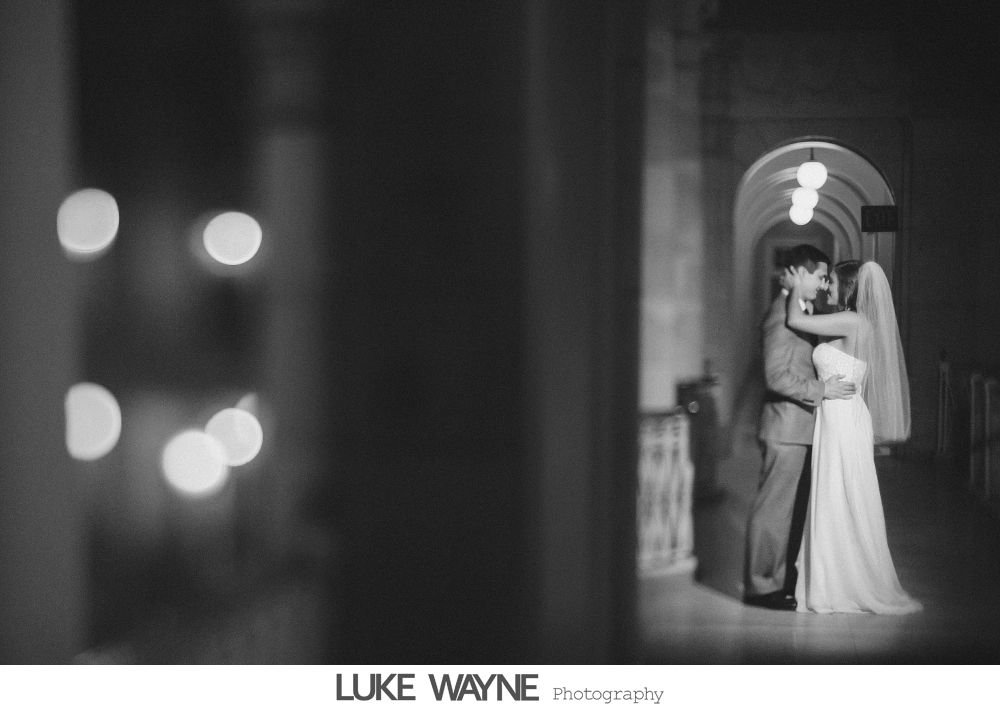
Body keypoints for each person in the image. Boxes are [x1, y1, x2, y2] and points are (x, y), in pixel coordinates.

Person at [786, 260, 922, 614]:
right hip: (841, 416)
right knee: (841, 493)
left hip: (841, 417)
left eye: (831, 281)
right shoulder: (855, 321)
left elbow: (797, 321)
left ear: (848, 286)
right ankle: (834, 576)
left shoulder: (852, 321)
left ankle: (838, 582)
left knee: (838, 492)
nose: (827, 286)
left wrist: (795, 288)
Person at [743, 245, 857, 611]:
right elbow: (776, 376)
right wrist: (821, 390)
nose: (824, 284)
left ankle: (782, 581)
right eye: (820, 276)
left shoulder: (803, 310)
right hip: (784, 430)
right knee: (774, 512)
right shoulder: (780, 314)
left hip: (801, 430)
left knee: (789, 514)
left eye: (828, 279)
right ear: (798, 273)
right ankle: (761, 587)